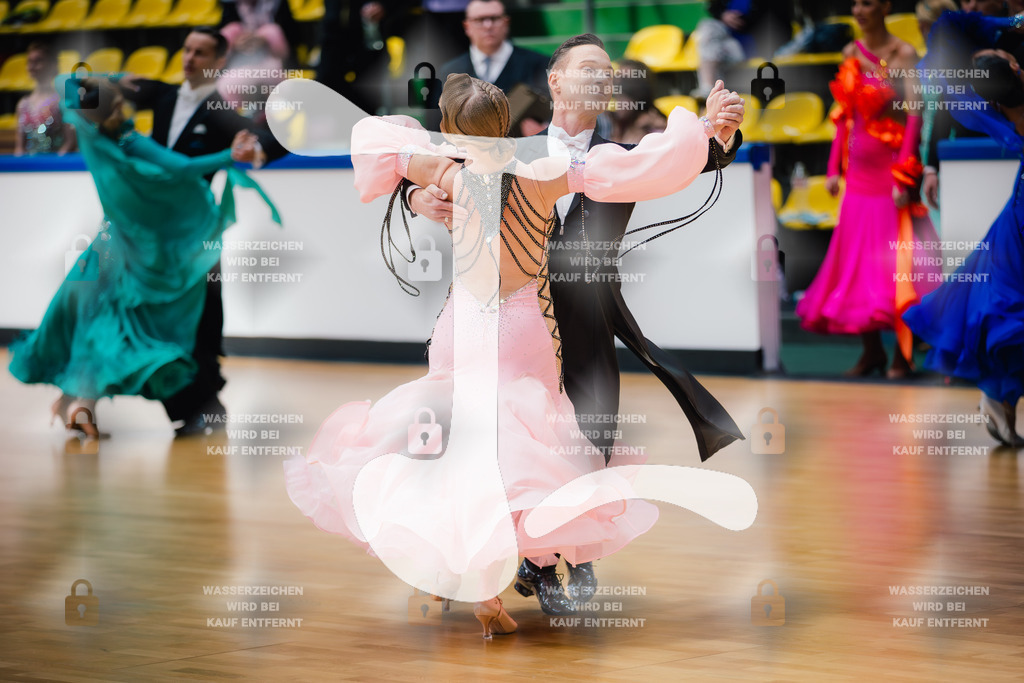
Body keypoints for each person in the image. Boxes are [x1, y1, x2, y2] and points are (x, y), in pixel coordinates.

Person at [283, 73, 744, 637]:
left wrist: (421, 174)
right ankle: (508, 570)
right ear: (507, 125)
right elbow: (639, 168)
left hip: (463, 323)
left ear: (451, 130)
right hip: (523, 325)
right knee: (523, 452)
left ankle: (465, 576)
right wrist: (700, 128)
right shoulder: (542, 169)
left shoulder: (439, 167)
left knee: (453, 446)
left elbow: (373, 138)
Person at [409, 33, 746, 613]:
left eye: (606, 70)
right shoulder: (509, 146)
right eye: (586, 67)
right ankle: (499, 553)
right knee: (508, 437)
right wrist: (423, 199)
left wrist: (719, 135)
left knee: (588, 434)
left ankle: (573, 552)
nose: (599, 76)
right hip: (518, 321)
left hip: (588, 314)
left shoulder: (627, 154)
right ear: (556, 80)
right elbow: (432, 172)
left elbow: (688, 160)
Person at [7, 78, 277, 441]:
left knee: (94, 322)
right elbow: (181, 168)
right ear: (119, 106)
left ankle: (76, 402)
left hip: (107, 246)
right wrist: (229, 156)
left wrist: (108, 80)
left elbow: (62, 81)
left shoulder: (88, 134)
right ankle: (79, 403)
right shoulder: (127, 140)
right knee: (109, 327)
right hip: (134, 251)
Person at [118, 27, 286, 437]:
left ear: (218, 62)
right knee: (159, 314)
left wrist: (255, 149)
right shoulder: (161, 94)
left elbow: (268, 138)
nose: (189, 58)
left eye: (200, 52)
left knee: (205, 314)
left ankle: (204, 400)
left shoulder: (218, 111)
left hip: (199, 233)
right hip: (155, 233)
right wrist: (110, 80)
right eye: (186, 49)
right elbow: (80, 88)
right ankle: (195, 400)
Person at [796, 0, 941, 378]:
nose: (859, 10)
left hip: (890, 172)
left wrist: (905, 173)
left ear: (885, 7)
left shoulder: (903, 53)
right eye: (856, 3)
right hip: (858, 175)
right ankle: (872, 351)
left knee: (896, 266)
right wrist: (832, 168)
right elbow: (845, 115)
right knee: (857, 263)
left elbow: (914, 113)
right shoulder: (850, 53)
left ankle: (903, 355)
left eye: (868, 3)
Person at [903, 11, 1024, 446]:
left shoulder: (986, 109)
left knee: (1004, 302)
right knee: (1005, 304)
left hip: (1019, 205)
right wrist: (1011, 20)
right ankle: (998, 400)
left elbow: (948, 29)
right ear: (1013, 67)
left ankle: (998, 400)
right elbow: (951, 23)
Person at [13, 41, 75, 156]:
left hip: (55, 167)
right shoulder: (23, 104)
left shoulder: (62, 101)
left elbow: (70, 142)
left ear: (52, 65)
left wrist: (55, 165)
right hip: (29, 168)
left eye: (38, 61)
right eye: (29, 62)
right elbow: (20, 147)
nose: (32, 66)